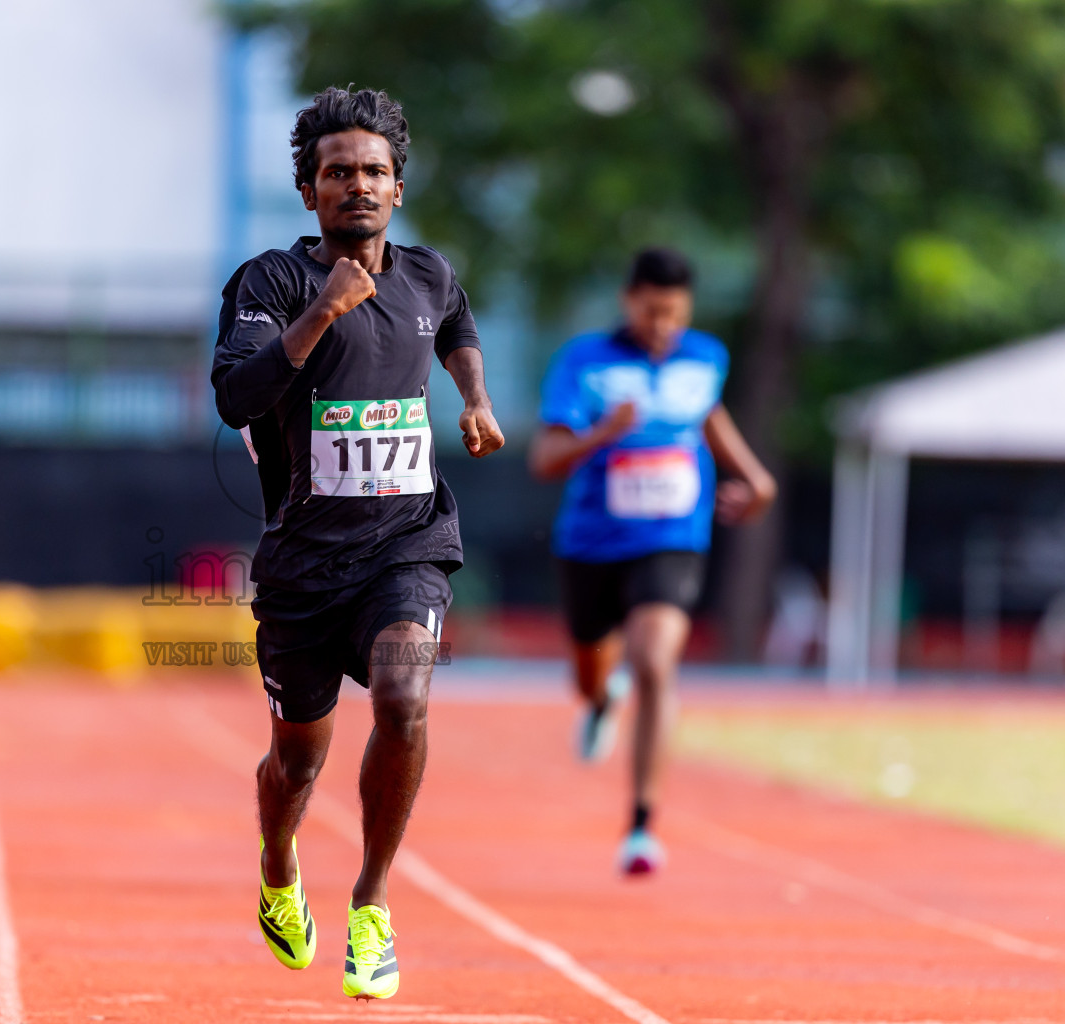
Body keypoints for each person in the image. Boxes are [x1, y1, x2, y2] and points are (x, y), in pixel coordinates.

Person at [211, 86, 503, 1000]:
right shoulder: (270, 283)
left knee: (404, 696)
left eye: (375, 171)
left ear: (398, 188)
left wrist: (475, 397)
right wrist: (324, 312)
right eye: (338, 173)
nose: (359, 186)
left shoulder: (428, 275)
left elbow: (457, 325)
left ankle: (371, 903)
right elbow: (236, 397)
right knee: (297, 760)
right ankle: (278, 862)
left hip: (406, 543)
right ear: (310, 191)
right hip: (304, 563)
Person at [528, 247, 775, 876]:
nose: (663, 325)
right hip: (591, 542)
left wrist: (756, 480)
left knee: (655, 661)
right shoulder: (584, 361)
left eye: (674, 313)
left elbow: (708, 415)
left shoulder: (706, 356)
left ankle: (641, 826)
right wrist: (603, 434)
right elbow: (545, 459)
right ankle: (601, 701)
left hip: (672, 536)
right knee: (590, 675)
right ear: (627, 301)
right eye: (651, 311)